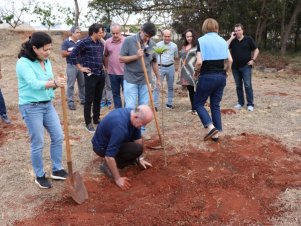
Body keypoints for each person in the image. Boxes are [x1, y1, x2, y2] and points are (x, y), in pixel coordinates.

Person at [16, 32, 68, 189]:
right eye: (45, 49)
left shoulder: (46, 61)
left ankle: (57, 169)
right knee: (38, 141)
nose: (48, 52)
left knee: (58, 136)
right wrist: (54, 83)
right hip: (31, 107)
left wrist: (57, 84)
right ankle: (39, 175)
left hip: (47, 105)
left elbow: (49, 80)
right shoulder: (23, 63)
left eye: (50, 49)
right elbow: (33, 83)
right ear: (34, 48)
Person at [92, 105, 153, 190]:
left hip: (113, 139)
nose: (144, 126)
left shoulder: (133, 115)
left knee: (137, 149)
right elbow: (109, 156)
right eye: (143, 123)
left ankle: (119, 159)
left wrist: (140, 159)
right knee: (132, 151)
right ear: (136, 117)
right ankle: (106, 165)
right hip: (101, 147)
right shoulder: (120, 127)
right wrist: (118, 179)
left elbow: (138, 140)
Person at [194, 18, 233, 142]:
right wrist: (227, 71)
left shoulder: (201, 40)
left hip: (207, 76)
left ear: (205, 27)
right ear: (216, 27)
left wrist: (196, 71)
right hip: (221, 77)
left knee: (198, 104)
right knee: (215, 105)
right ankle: (216, 134)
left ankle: (211, 127)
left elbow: (199, 62)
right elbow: (230, 60)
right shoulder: (223, 41)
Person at [119, 22, 161, 136]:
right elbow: (121, 59)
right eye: (146, 35)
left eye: (149, 37)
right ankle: (129, 133)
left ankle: (141, 132)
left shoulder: (153, 44)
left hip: (145, 80)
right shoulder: (129, 41)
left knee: (144, 108)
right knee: (131, 107)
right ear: (141, 31)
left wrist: (158, 78)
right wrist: (136, 56)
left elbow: (154, 62)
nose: (147, 38)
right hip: (130, 79)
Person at [70, 23, 106, 132]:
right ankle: (88, 122)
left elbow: (102, 56)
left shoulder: (100, 42)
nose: (102, 34)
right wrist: (80, 68)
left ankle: (96, 119)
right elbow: (73, 55)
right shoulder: (84, 42)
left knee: (98, 98)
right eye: (100, 33)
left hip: (101, 74)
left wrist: (104, 67)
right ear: (94, 32)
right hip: (90, 75)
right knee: (89, 99)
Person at [227, 23, 259, 112]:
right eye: (236, 31)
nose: (237, 32)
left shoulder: (248, 39)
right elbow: (224, 47)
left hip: (246, 66)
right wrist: (231, 38)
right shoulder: (233, 40)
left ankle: (250, 104)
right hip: (235, 67)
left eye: (239, 30)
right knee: (238, 86)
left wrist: (253, 60)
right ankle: (240, 103)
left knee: (248, 85)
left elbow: (256, 49)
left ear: (242, 30)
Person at [153, 29, 178, 111]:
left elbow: (176, 57)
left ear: (170, 36)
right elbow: (154, 59)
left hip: (170, 67)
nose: (167, 38)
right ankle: (155, 105)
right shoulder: (157, 45)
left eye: (168, 36)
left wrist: (176, 67)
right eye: (165, 36)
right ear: (162, 36)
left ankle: (169, 104)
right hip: (160, 67)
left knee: (170, 87)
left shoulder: (174, 46)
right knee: (157, 86)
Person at [61, 26, 85, 110]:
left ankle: (83, 99)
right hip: (71, 65)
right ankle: (70, 102)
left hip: (81, 65)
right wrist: (73, 51)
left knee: (82, 84)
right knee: (70, 84)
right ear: (72, 33)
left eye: (80, 32)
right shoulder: (66, 42)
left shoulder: (81, 42)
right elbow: (63, 54)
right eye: (77, 32)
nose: (79, 34)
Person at [104, 23, 125, 108]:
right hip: (112, 73)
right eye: (113, 33)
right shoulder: (107, 42)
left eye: (117, 33)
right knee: (116, 94)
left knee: (127, 93)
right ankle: (118, 111)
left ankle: (126, 112)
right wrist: (106, 67)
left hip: (125, 73)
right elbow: (105, 55)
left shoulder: (126, 41)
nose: (115, 35)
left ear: (121, 32)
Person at [179, 28, 198, 114]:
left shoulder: (197, 46)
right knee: (190, 90)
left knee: (196, 90)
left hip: (195, 71)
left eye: (191, 36)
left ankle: (198, 108)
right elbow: (181, 59)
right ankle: (193, 108)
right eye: (187, 36)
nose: (189, 38)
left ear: (193, 36)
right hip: (185, 71)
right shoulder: (183, 46)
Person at [101, 28, 113, 109]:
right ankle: (102, 100)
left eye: (100, 33)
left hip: (109, 65)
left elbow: (108, 47)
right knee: (101, 85)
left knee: (109, 85)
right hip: (100, 66)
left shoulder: (110, 37)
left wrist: (101, 39)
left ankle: (109, 101)